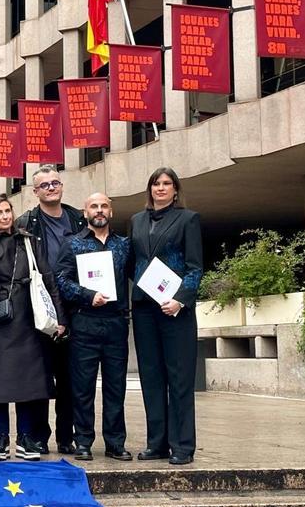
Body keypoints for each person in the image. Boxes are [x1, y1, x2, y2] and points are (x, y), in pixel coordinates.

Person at [0, 194, 66, 461]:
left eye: (8, 211)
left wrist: (59, 318)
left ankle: (26, 438)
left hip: (31, 319)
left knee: (29, 383)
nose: (5, 216)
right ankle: (1, 439)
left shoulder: (29, 240)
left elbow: (49, 280)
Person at [129, 167, 203, 465]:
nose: (161, 188)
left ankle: (183, 446)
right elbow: (132, 262)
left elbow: (195, 267)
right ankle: (156, 443)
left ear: (175, 190)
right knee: (151, 377)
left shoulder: (188, 219)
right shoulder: (136, 220)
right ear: (150, 189)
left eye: (167, 184)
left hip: (175, 310)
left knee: (180, 378)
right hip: (145, 308)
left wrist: (180, 300)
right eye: (156, 184)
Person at [55, 192, 133, 462]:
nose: (99, 211)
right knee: (82, 386)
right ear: (85, 212)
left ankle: (115, 442)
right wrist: (89, 295)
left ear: (110, 211)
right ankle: (84, 441)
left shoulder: (124, 245)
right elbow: (61, 281)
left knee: (115, 387)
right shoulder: (72, 244)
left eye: (103, 206)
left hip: (115, 322)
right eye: (93, 207)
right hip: (85, 321)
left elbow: (139, 275)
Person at [15, 164, 85, 455]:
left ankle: (66, 436)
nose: (52, 188)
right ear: (35, 192)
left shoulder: (79, 220)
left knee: (70, 376)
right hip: (39, 308)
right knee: (38, 376)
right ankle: (36, 436)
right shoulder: (25, 223)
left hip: (75, 306)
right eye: (45, 185)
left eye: (55, 183)